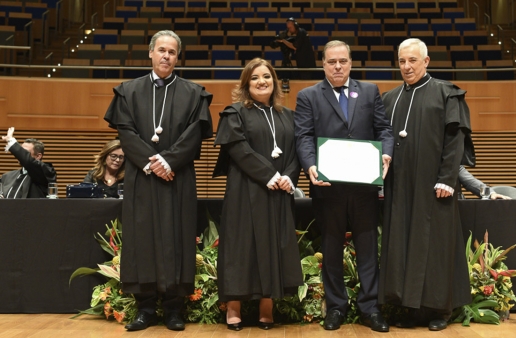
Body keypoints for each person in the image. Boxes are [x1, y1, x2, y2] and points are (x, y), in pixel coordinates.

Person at [103, 30, 213, 332]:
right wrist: (153, 162)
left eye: (172, 52)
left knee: (177, 239)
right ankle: (146, 308)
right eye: (161, 50)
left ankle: (174, 309)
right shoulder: (129, 90)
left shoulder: (193, 92)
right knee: (143, 239)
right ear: (151, 53)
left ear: (178, 57)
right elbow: (125, 132)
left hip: (178, 178)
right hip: (143, 177)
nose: (166, 56)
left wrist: (169, 160)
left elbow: (194, 134)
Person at [295, 40, 394, 332]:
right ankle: (336, 307)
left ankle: (370, 308)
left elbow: (384, 129)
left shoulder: (369, 91)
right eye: (331, 62)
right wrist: (310, 165)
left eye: (342, 61)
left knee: (367, 248)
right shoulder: (308, 96)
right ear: (322, 64)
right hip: (328, 187)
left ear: (351, 62)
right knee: (332, 248)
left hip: (364, 187)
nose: (337, 66)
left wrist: (386, 153)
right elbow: (303, 136)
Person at [378, 38, 475, 331]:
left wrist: (447, 179)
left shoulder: (447, 93)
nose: (407, 67)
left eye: (412, 61)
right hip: (400, 188)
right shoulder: (389, 98)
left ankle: (439, 310)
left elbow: (454, 141)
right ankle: (411, 308)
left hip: (435, 187)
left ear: (426, 61)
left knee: (436, 246)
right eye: (402, 61)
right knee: (404, 243)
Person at [213, 58, 303, 331]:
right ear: (246, 84)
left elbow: (297, 151)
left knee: (272, 246)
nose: (262, 81)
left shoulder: (288, 115)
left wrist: (288, 176)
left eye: (266, 76)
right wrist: (270, 175)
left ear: (275, 81)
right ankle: (233, 307)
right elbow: (239, 150)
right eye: (255, 78)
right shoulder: (235, 113)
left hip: (277, 193)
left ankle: (267, 306)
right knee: (241, 248)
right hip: (245, 190)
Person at [1, 127, 56, 199]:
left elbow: (29, 162)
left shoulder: (45, 171)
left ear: (38, 156)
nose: (20, 155)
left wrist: (11, 141)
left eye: (25, 152)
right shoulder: (7, 176)